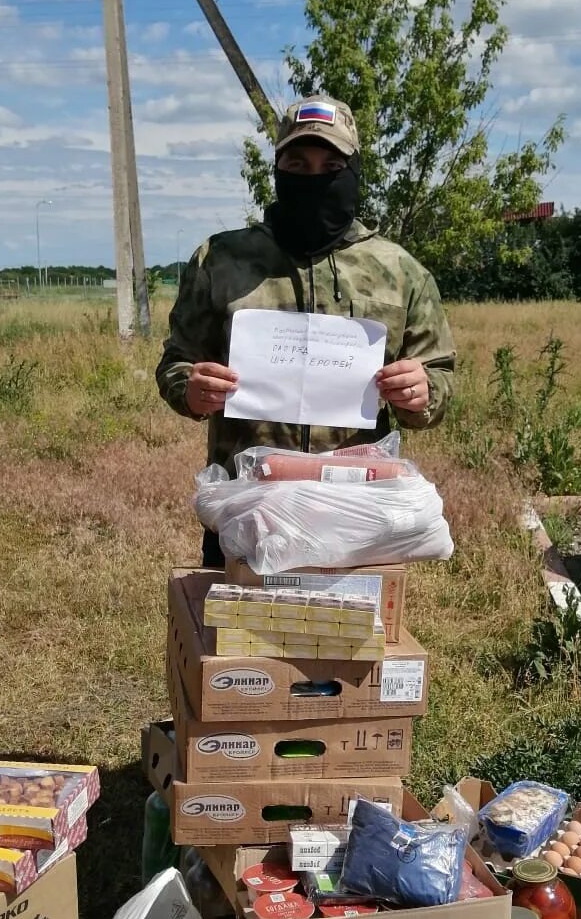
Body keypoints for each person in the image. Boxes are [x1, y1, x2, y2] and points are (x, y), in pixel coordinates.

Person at [156, 94, 456, 568]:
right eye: (298, 164)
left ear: (353, 171)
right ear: (277, 171)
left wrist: (423, 392)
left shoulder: (400, 272)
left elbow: (438, 377)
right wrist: (190, 390)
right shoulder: (221, 260)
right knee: (240, 641)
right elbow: (176, 363)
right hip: (248, 511)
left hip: (358, 516)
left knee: (342, 640)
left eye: (329, 165)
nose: (313, 179)